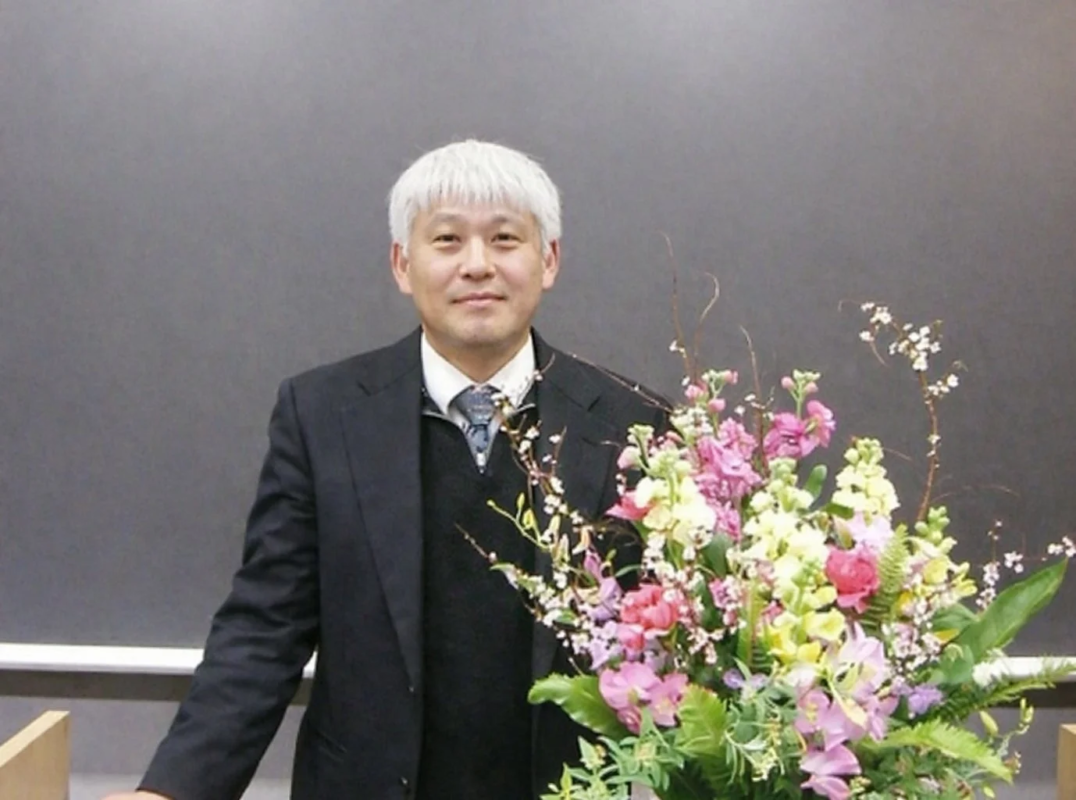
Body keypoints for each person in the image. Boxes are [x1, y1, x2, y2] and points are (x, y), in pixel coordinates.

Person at [104, 139, 666, 800]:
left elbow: (681, 643)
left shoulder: (634, 426)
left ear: (548, 260)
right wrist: (173, 790)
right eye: (447, 240)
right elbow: (264, 627)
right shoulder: (324, 416)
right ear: (403, 263)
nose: (477, 265)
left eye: (505, 239)